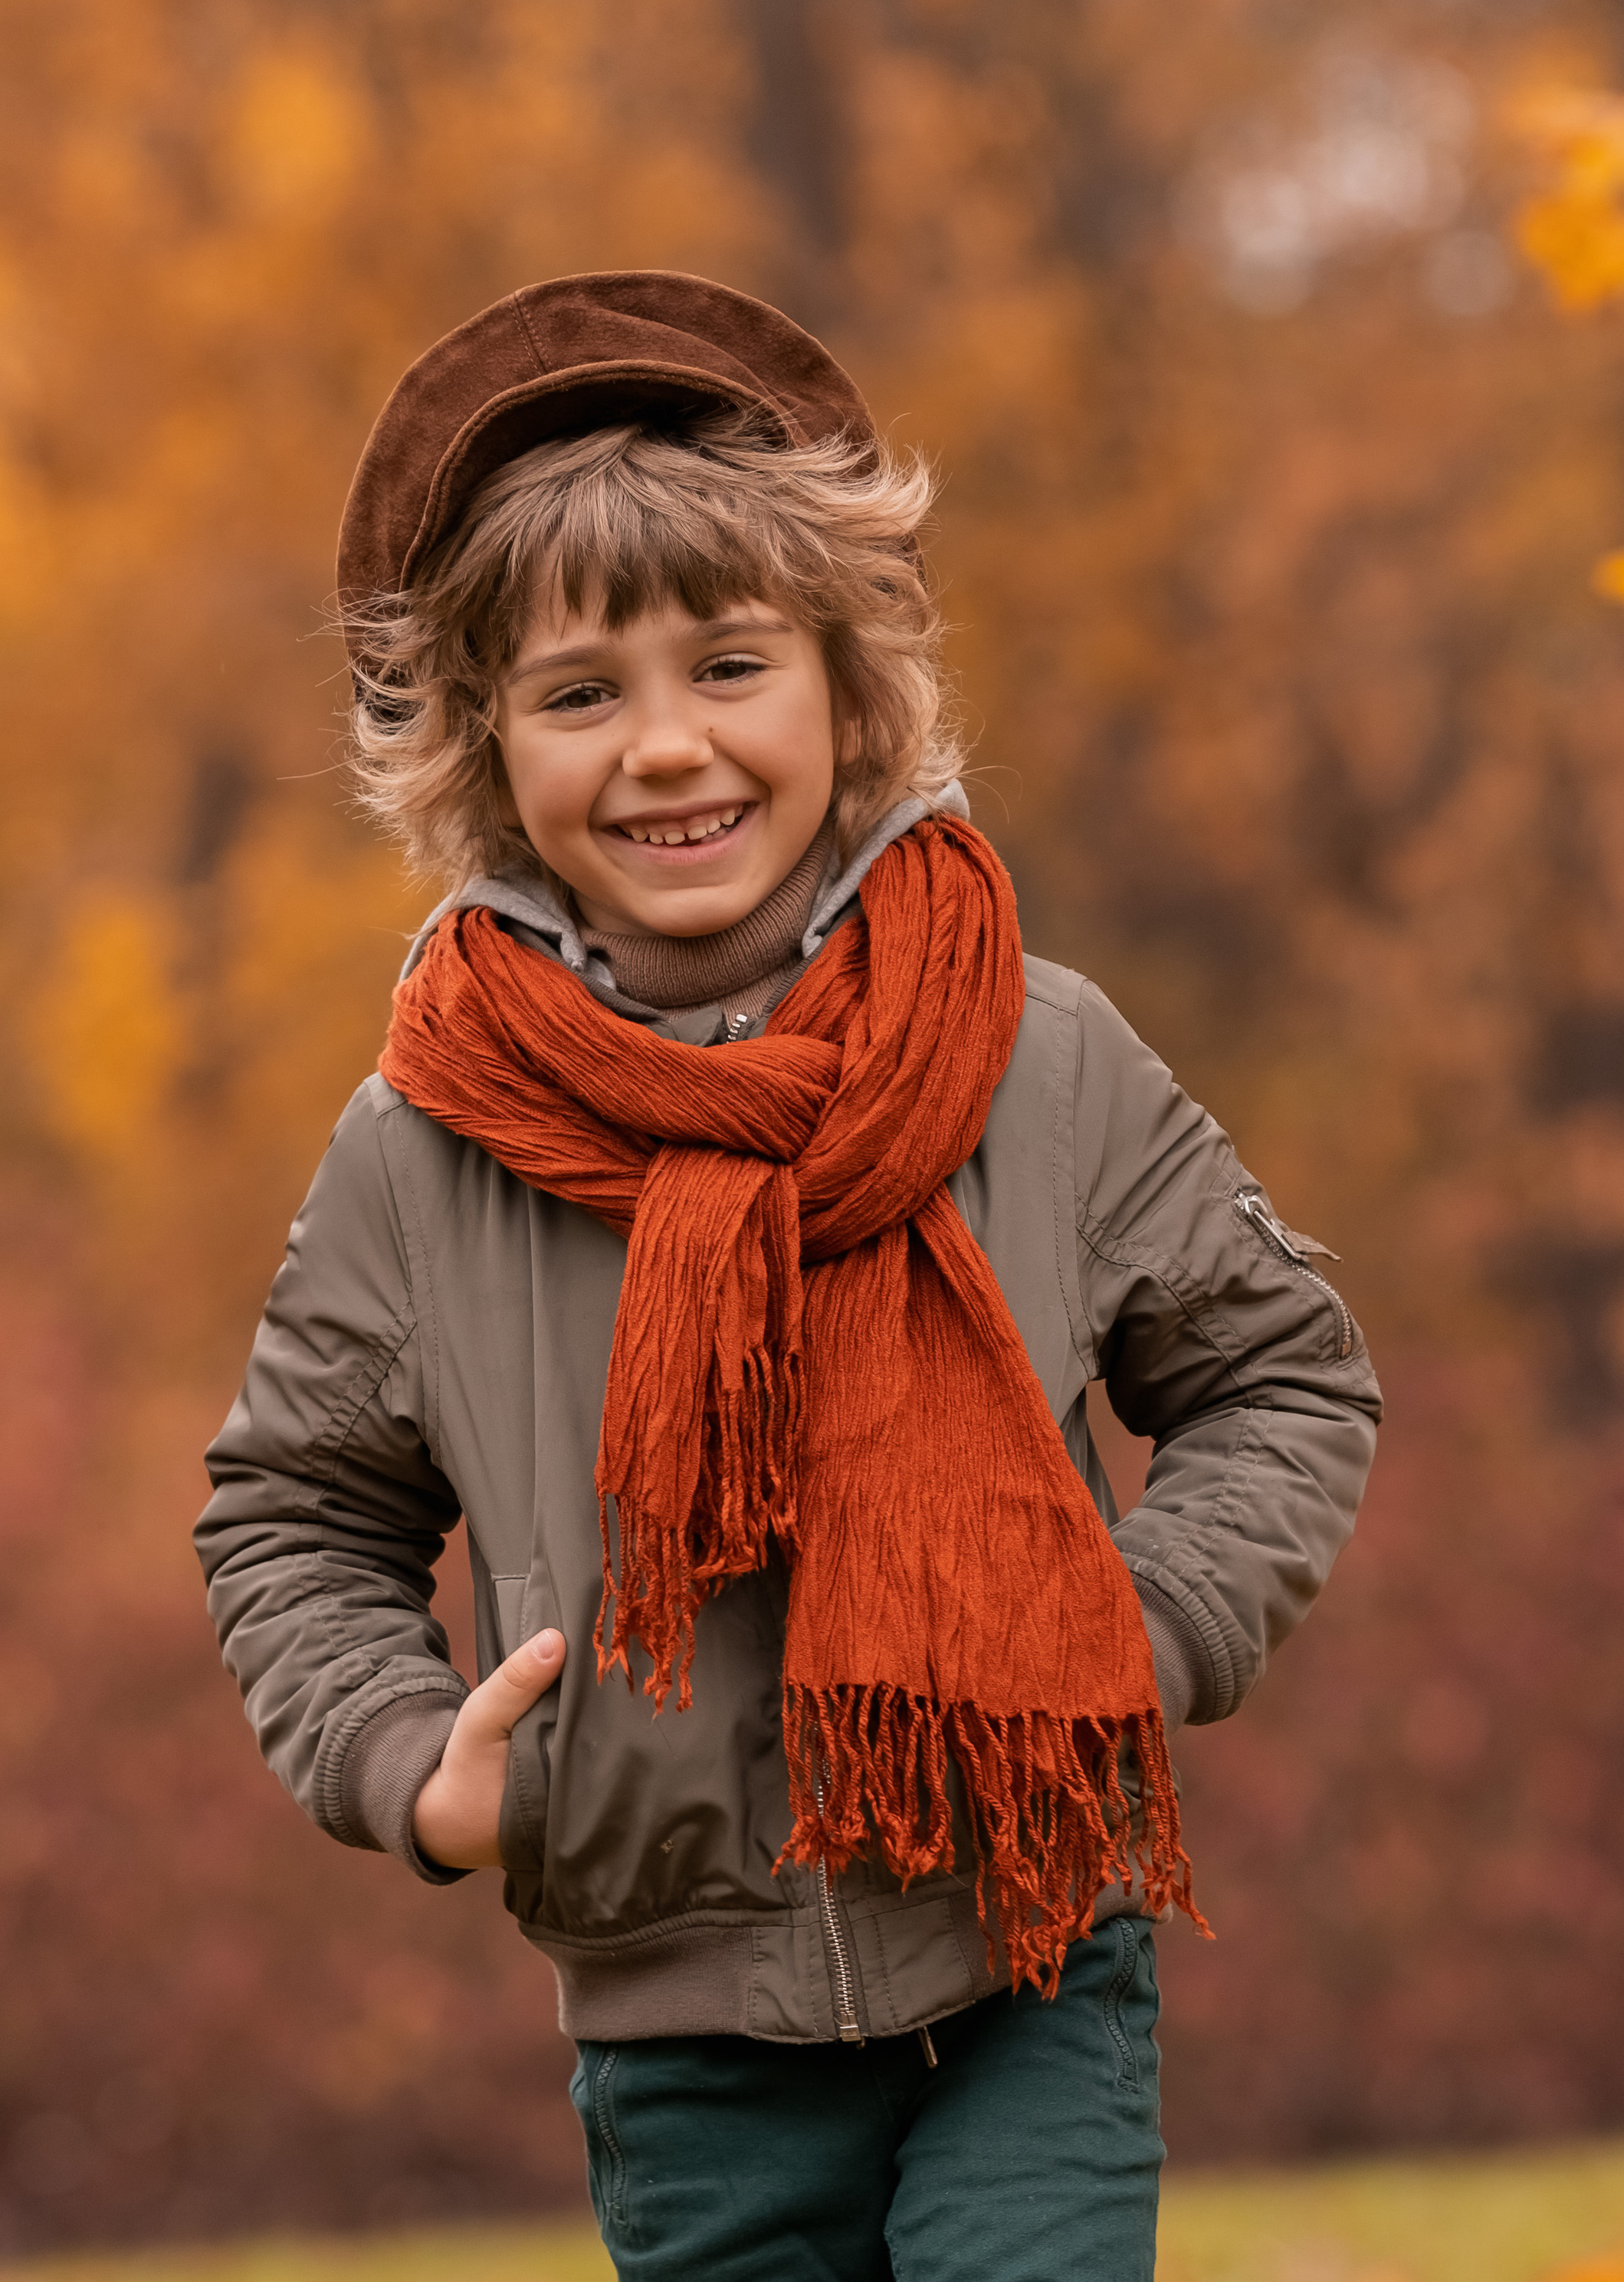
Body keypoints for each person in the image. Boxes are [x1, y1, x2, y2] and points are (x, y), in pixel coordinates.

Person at [195, 271, 1381, 2282]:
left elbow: (1285, 1377)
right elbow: (292, 1514)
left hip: (1029, 1954)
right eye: (582, 694)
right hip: (683, 2030)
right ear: (488, 746)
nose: (666, 750)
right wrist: (416, 1763)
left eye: (728, 667)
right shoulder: (424, 1146)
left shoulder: (1034, 1051)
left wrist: (1135, 1632)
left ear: (847, 685)